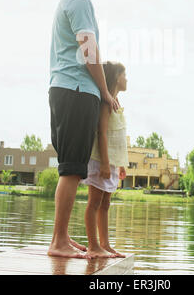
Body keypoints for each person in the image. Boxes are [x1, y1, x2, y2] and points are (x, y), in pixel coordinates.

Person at [48, 0, 119, 259]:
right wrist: (105, 91)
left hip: (72, 90)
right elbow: (88, 51)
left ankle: (61, 237)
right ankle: (58, 241)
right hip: (76, 89)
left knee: (73, 167)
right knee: (72, 169)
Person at [82, 61, 128, 258]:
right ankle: (93, 246)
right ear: (116, 77)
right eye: (125, 75)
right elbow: (101, 133)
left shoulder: (116, 103)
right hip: (100, 159)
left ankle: (105, 244)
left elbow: (116, 137)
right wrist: (105, 163)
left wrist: (120, 164)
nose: (127, 79)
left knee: (106, 203)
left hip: (111, 161)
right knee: (94, 201)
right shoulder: (106, 102)